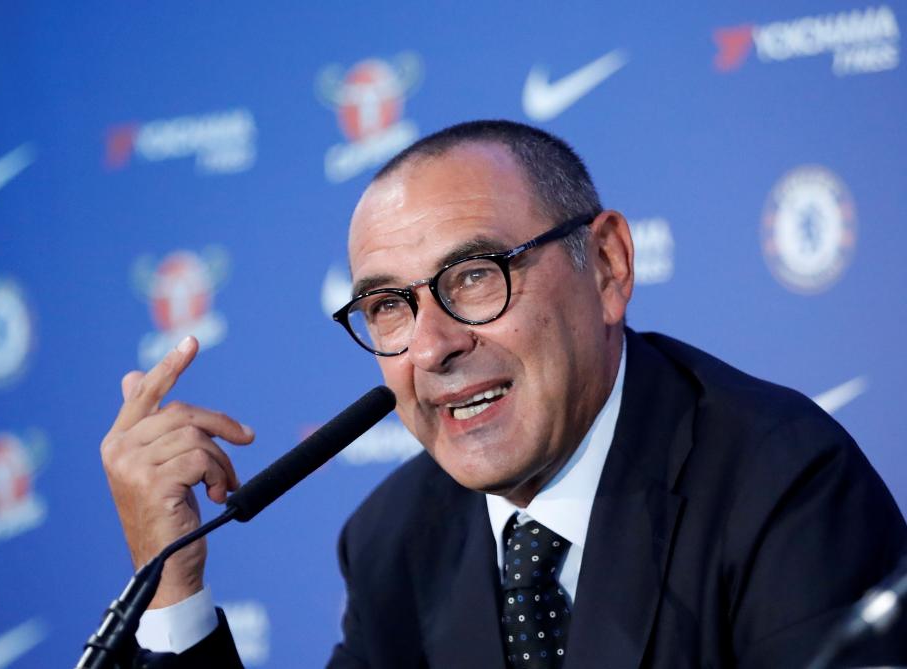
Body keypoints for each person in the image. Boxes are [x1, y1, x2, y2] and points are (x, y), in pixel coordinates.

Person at [101, 120, 907, 668]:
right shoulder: (393, 541)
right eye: (390, 306)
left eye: (476, 277)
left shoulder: (783, 485)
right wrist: (173, 586)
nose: (433, 345)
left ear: (610, 267)